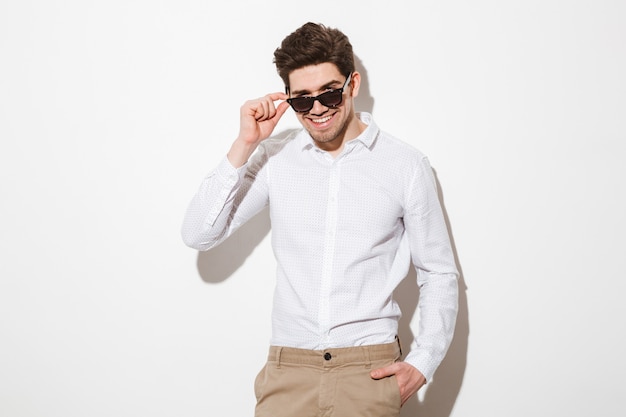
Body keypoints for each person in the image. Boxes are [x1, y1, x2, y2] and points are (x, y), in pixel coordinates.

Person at [181, 22, 458, 417]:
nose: (317, 110)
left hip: (369, 372)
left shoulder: (405, 165)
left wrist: (423, 362)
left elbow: (439, 272)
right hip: (288, 370)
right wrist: (245, 143)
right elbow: (198, 234)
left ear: (352, 83)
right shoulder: (275, 158)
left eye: (329, 93)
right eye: (302, 101)